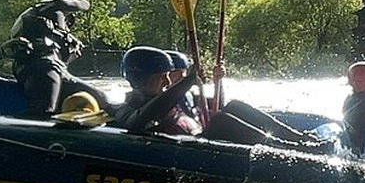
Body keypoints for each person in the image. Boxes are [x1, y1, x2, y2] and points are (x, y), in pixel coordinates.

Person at [109, 46, 334, 153]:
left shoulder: (168, 99)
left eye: (170, 76)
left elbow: (213, 107)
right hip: (190, 155)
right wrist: (187, 82)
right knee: (220, 122)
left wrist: (215, 82)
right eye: (163, 77)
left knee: (233, 106)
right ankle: (286, 149)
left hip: (203, 143)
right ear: (144, 78)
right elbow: (140, 121)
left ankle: (301, 141)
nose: (169, 81)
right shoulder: (125, 109)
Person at [1, 0, 111, 118]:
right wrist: (70, 2)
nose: (67, 24)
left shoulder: (48, 25)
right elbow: (84, 4)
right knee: (45, 109)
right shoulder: (50, 7)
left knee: (102, 99)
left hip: (57, 70)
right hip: (41, 67)